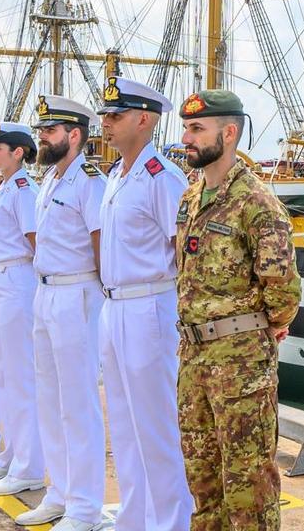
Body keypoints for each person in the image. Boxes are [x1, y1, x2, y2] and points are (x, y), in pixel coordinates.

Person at [175, 89, 301, 531]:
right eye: (187, 128)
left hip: (241, 361)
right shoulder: (192, 197)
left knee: (248, 484)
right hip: (193, 357)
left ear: (228, 134)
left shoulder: (256, 202)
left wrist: (263, 329)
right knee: (202, 477)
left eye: (197, 129)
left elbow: (283, 289)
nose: (186, 138)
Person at [97, 77, 192, 531]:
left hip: (149, 307)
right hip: (115, 307)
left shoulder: (162, 177)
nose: (105, 123)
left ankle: (171, 521)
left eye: (115, 116)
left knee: (156, 425)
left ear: (144, 119)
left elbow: (182, 250)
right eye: (104, 115)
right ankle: (134, 518)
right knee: (124, 420)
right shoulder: (116, 176)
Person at [19, 95, 106, 531]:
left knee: (77, 404)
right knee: (49, 401)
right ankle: (59, 493)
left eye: (50, 132)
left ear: (75, 135)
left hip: (77, 294)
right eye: (41, 131)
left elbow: (99, 242)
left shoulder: (89, 181)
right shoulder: (51, 179)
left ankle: (86, 507)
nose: (42, 138)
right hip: (46, 292)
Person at [0, 120, 48, 496]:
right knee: (4, 372)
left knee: (20, 375)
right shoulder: (2, 188)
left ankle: (29, 465)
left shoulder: (23, 189)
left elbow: (36, 242)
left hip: (17, 279)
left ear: (19, 152)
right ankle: (12, 452)